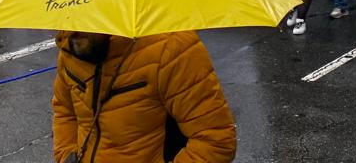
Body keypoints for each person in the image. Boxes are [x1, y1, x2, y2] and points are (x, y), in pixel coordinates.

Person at [52, 30, 237, 163]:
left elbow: (215, 140)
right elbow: (65, 110)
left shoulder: (172, 47)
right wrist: (66, 155)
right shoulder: (71, 46)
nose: (73, 29)